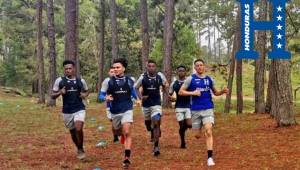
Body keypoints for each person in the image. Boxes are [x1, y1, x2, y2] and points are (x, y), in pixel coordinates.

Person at [179, 59, 229, 166]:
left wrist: (222, 91)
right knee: (197, 135)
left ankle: (210, 157)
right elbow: (181, 92)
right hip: (195, 110)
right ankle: (199, 128)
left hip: (208, 108)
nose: (200, 67)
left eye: (201, 65)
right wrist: (193, 92)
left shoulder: (209, 79)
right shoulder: (190, 79)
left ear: (204, 67)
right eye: (197, 65)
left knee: (209, 131)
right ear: (195, 67)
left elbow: (215, 92)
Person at [99, 58, 140, 168]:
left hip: (127, 108)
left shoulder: (129, 80)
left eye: (118, 67)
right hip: (115, 111)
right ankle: (119, 134)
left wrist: (137, 99)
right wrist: (105, 97)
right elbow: (100, 95)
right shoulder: (108, 81)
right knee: (117, 132)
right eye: (114, 67)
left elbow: (132, 91)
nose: (115, 69)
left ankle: (127, 157)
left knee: (127, 132)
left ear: (123, 69)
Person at [51, 60, 89, 160]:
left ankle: (80, 149)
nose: (68, 70)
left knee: (78, 128)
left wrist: (84, 95)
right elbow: (52, 96)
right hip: (67, 110)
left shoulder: (81, 81)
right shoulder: (60, 81)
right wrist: (60, 92)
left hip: (79, 108)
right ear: (64, 70)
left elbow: (86, 91)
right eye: (66, 69)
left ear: (74, 69)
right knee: (72, 132)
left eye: (70, 68)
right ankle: (79, 147)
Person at [134, 60, 169, 156]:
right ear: (147, 68)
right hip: (146, 104)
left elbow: (165, 85)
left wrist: (168, 95)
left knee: (156, 122)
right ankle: (152, 131)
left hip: (156, 103)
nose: (151, 68)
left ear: (156, 67)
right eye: (149, 66)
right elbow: (135, 88)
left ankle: (156, 147)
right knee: (148, 125)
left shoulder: (160, 76)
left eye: (153, 66)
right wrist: (141, 98)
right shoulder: (143, 77)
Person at [168, 65, 192, 149]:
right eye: (179, 71)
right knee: (181, 127)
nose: (181, 72)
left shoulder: (189, 82)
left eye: (183, 71)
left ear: (185, 72)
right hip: (178, 107)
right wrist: (172, 99)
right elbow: (170, 95)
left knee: (189, 124)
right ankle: (183, 142)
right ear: (177, 72)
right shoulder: (174, 84)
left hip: (188, 106)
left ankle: (183, 137)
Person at [99, 66, 119, 142]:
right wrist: (105, 98)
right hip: (110, 106)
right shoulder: (106, 81)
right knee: (114, 121)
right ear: (108, 73)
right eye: (111, 72)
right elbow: (101, 96)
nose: (113, 73)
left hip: (122, 105)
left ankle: (122, 134)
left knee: (123, 122)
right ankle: (115, 136)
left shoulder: (122, 80)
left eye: (114, 71)